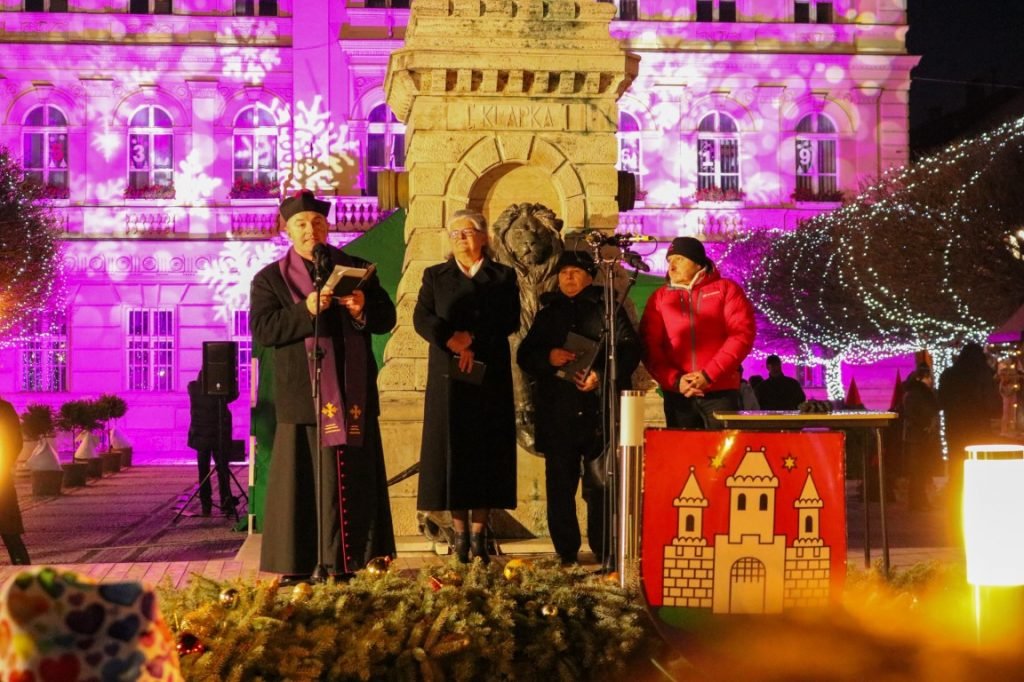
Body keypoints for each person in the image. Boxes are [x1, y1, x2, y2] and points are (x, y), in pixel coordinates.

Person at [250, 190, 396, 579]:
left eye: (317, 222)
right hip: (304, 398)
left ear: (327, 227)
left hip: (352, 395)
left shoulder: (358, 268)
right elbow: (264, 330)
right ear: (287, 230)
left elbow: (386, 318)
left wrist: (362, 308)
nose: (310, 230)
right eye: (300, 224)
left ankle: (356, 560)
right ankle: (301, 564)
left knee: (355, 478)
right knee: (303, 482)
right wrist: (306, 310)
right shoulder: (269, 279)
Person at [517, 250, 640, 566]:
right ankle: (566, 551)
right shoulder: (549, 312)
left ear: (589, 276)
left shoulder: (607, 308)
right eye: (563, 273)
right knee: (560, 486)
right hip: (558, 413)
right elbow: (525, 355)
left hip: (598, 412)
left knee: (600, 486)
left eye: (575, 272)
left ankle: (603, 548)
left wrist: (601, 375)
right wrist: (549, 357)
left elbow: (629, 349)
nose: (568, 278)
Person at [414, 209, 520, 564]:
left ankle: (479, 533)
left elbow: (509, 318)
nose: (460, 237)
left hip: (488, 374)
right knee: (453, 451)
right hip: (449, 375)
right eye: (454, 232)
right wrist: (451, 340)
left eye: (467, 231)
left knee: (487, 450)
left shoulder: (503, 276)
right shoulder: (435, 275)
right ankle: (459, 534)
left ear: (484, 237)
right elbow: (422, 317)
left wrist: (471, 339)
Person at [639, 236, 756, 429]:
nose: (671, 266)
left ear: (698, 263)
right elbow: (649, 346)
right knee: (682, 448)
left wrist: (708, 375)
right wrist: (675, 380)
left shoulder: (727, 289)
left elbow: (742, 335)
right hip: (678, 394)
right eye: (669, 260)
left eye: (679, 259)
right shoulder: (659, 298)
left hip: (720, 392)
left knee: (722, 448)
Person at [937, 343, 1000, 518]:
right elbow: (993, 405)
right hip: (979, 428)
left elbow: (941, 401)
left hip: (955, 428)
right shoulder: (983, 374)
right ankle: (979, 502)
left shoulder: (949, 374)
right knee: (979, 465)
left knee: (957, 466)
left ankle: (957, 504)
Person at [187, 370, 238, 517]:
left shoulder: (193, 388)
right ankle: (225, 502)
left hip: (201, 437)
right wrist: (230, 377)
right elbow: (234, 394)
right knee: (223, 471)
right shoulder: (219, 392)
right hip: (217, 436)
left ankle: (206, 505)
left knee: (203, 471)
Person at [900, 364, 942, 511]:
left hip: (918, 436)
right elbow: (916, 414)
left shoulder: (919, 393)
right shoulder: (918, 394)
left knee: (920, 471)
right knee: (918, 471)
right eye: (928, 378)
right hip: (918, 437)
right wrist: (925, 425)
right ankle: (917, 502)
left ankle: (919, 500)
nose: (930, 380)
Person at [0, 397, 30, 565]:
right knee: (10, 532)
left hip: (1, 480)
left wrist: (6, 463)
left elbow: (15, 442)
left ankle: (22, 570)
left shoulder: (3, 409)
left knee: (10, 532)